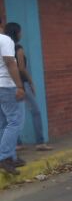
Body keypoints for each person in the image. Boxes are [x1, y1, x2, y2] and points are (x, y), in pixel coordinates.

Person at [4, 23, 52, 151]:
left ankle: (17, 143)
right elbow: (21, 68)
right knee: (35, 111)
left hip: (9, 85)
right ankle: (40, 142)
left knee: (12, 117)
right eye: (20, 31)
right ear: (17, 33)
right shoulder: (18, 48)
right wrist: (31, 82)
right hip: (22, 84)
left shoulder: (5, 48)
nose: (22, 33)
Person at [0, 17, 27, 175]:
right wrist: (19, 86)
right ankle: (4, 157)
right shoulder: (5, 40)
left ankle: (10, 156)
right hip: (7, 86)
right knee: (15, 122)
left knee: (3, 123)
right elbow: (11, 63)